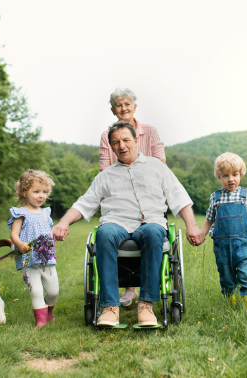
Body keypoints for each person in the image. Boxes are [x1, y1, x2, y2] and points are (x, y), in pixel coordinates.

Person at [53, 121, 205, 327]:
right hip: (116, 223)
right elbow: (84, 203)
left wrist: (192, 226)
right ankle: (110, 308)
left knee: (152, 232)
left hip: (151, 222)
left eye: (126, 140)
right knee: (104, 233)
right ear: (112, 147)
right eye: (116, 142)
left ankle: (146, 305)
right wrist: (63, 223)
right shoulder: (105, 176)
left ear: (136, 141)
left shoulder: (157, 167)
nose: (122, 145)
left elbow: (179, 197)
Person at [99, 87, 167, 306]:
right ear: (113, 110)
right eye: (119, 105)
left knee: (150, 231)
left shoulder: (150, 131)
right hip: (119, 194)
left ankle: (147, 297)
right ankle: (129, 288)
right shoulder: (107, 137)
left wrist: (141, 173)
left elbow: (161, 163)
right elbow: (105, 170)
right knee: (111, 230)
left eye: (127, 104)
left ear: (134, 107)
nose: (124, 108)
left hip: (148, 192)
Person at [200, 152, 247, 312]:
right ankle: (231, 304)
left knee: (246, 275)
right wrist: (201, 234)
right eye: (225, 175)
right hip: (222, 246)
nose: (231, 179)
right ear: (219, 176)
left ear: (241, 174)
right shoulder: (215, 197)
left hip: (244, 244)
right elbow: (209, 219)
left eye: (235, 174)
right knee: (227, 278)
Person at [8, 169, 59, 328]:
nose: (41, 196)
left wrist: (54, 235)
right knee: (36, 291)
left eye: (44, 192)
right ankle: (41, 321)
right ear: (24, 192)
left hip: (46, 258)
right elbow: (14, 234)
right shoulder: (20, 213)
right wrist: (20, 244)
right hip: (28, 259)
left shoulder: (45, 213)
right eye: (36, 191)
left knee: (53, 291)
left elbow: (47, 230)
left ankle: (49, 311)